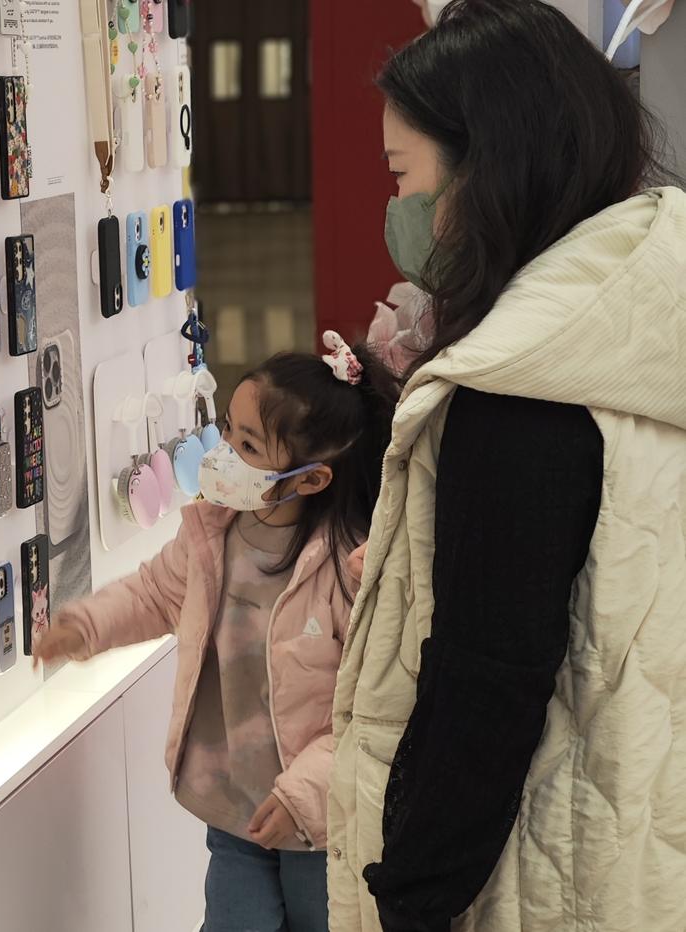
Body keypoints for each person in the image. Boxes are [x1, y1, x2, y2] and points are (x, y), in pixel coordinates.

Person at [327, 2, 686, 931]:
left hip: (540, 875)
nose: (397, 209)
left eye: (402, 175)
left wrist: (408, 896)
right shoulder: (644, 314)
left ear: (487, 165)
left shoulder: (520, 386)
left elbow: (485, 686)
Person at [35, 340, 398, 932]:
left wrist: (304, 795)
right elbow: (155, 594)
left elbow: (369, 712)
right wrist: (87, 625)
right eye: (227, 429)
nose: (223, 452)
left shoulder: (349, 570)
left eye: (248, 446)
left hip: (322, 820)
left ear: (311, 479)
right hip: (232, 805)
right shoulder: (211, 533)